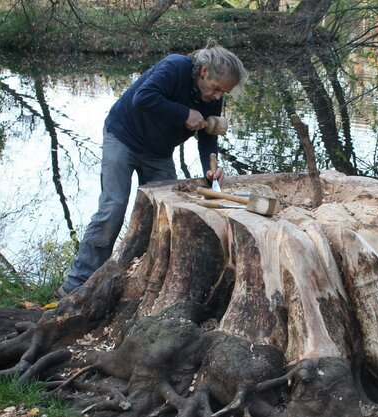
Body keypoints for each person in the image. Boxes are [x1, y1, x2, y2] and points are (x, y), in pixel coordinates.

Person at [55, 40, 248, 297]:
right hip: (123, 138)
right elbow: (143, 98)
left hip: (158, 153)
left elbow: (208, 136)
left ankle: (144, 283)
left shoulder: (213, 97)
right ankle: (75, 286)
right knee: (113, 208)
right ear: (204, 72)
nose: (218, 96)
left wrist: (209, 168)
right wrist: (184, 114)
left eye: (223, 92)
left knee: (168, 216)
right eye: (216, 89)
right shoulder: (175, 67)